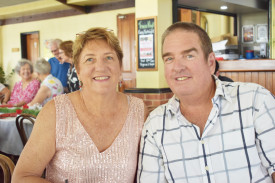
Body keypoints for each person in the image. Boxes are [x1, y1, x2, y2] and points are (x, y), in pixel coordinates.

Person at [137, 22, 275, 182]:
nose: (177, 67)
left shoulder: (255, 101)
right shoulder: (155, 126)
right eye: (169, 58)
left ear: (210, 63)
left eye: (189, 56)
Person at [12, 27, 147, 182]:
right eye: (90, 59)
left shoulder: (139, 111)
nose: (101, 67)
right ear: (78, 70)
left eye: (109, 58)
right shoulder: (56, 112)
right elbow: (22, 177)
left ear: (120, 66)